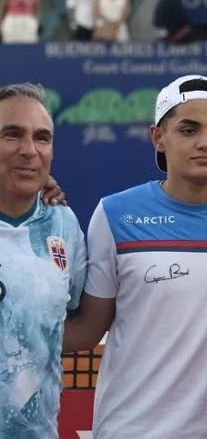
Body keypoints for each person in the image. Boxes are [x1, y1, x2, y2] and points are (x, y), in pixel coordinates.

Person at [62, 75, 207, 438]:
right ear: (158, 137)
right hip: (129, 430)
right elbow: (90, 328)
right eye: (189, 130)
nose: (205, 143)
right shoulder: (115, 213)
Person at [0, 83, 87, 438]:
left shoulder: (64, 225)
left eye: (42, 138)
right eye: (12, 134)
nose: (29, 150)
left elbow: (75, 322)